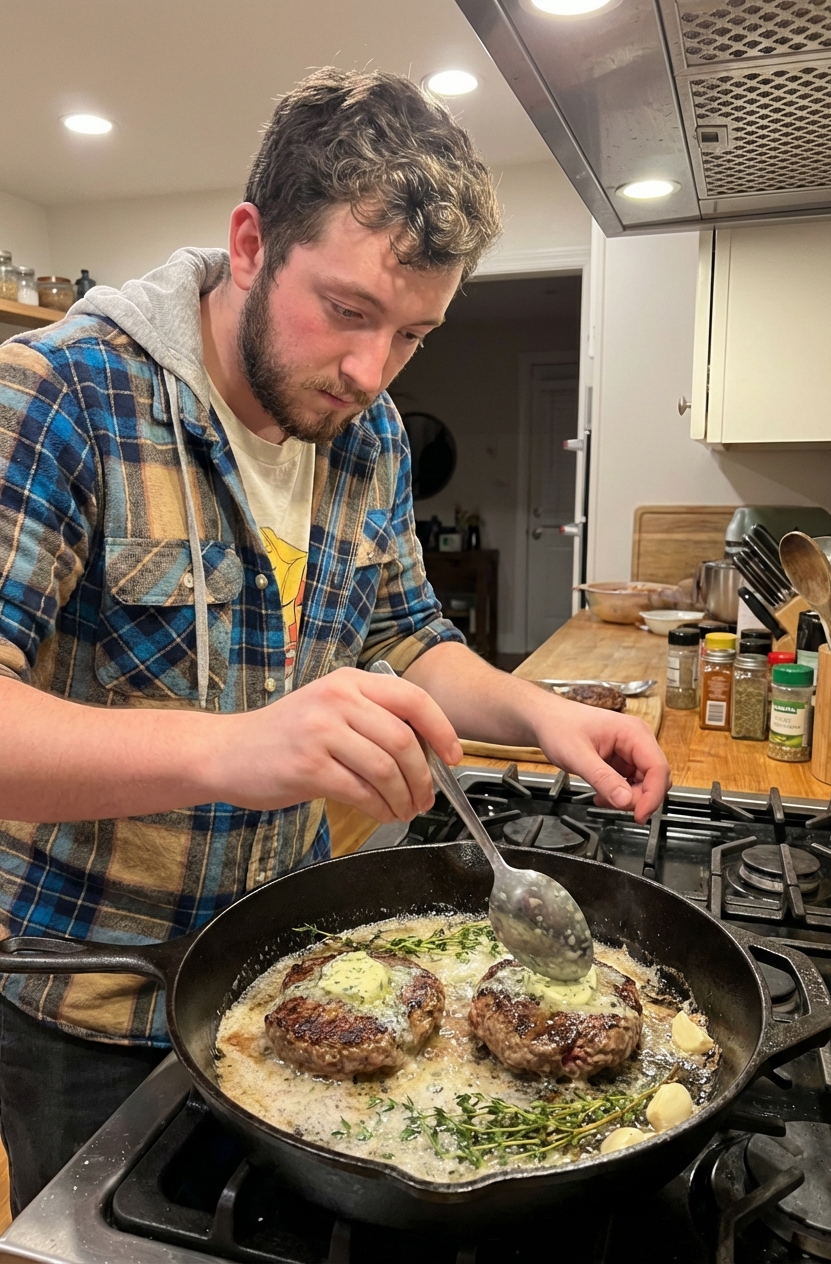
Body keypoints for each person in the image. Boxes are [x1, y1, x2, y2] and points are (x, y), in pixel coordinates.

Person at [0, 68, 670, 1214]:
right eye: (349, 312)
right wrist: (230, 750)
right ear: (252, 242)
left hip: (296, 980)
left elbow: (407, 632)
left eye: (412, 333)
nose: (372, 371)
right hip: (94, 1003)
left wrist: (538, 713)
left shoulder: (370, 436)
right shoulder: (60, 393)